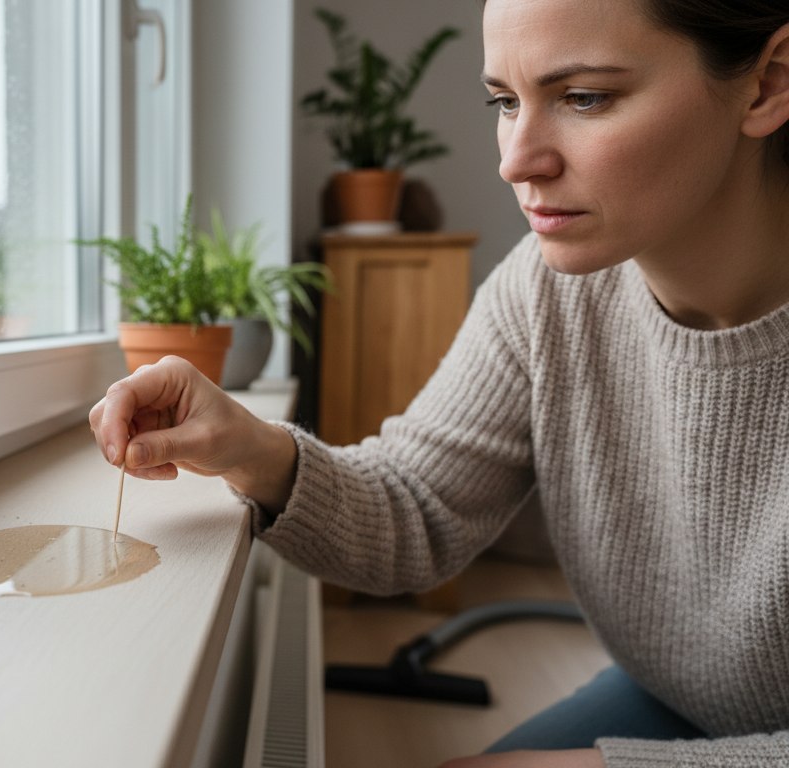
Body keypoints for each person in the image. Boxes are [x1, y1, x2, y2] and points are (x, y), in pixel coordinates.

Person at [89, 0, 789, 765]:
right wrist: (252, 450)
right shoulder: (546, 293)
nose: (517, 160)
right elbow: (417, 510)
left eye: (584, 97)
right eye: (505, 102)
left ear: (767, 85)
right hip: (674, 698)